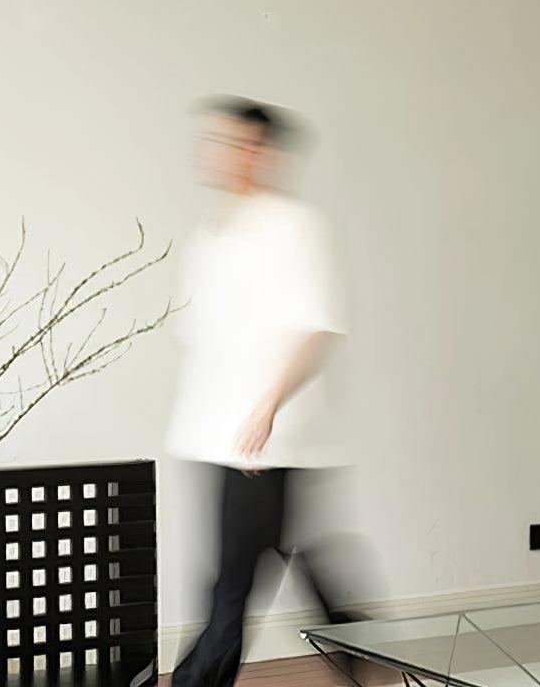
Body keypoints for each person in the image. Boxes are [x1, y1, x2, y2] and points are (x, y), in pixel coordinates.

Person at [168, 96, 353, 687]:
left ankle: (363, 650)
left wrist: (266, 409)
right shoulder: (210, 235)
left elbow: (316, 327)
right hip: (215, 434)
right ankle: (366, 650)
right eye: (214, 141)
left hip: (264, 437)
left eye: (233, 143)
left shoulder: (293, 227)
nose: (218, 153)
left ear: (260, 152)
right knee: (276, 558)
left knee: (231, 585)